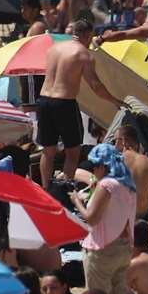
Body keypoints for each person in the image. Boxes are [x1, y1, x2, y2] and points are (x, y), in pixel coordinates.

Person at [36, 18, 124, 185]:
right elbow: (95, 85)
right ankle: (66, 189)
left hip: (44, 100)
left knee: (48, 150)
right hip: (64, 103)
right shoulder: (84, 54)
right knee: (73, 151)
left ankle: (46, 189)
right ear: (88, 35)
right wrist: (114, 100)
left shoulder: (54, 49)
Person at [74, 144, 137, 294]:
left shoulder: (107, 185)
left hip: (102, 249)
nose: (93, 171)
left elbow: (91, 218)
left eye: (95, 166)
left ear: (103, 165)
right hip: (123, 247)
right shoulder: (128, 185)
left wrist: (76, 201)